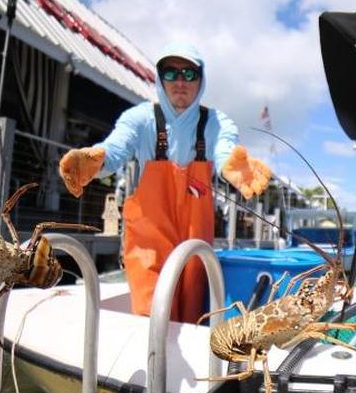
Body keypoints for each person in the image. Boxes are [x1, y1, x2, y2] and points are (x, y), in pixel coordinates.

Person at [58, 42, 270, 319]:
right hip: (148, 242)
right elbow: (114, 150)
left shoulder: (218, 122)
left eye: (189, 73)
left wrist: (234, 166)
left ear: (201, 79)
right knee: (150, 309)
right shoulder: (138, 118)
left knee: (193, 306)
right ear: (159, 78)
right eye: (170, 73)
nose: (180, 81)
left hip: (195, 242)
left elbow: (225, 151)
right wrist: (93, 162)